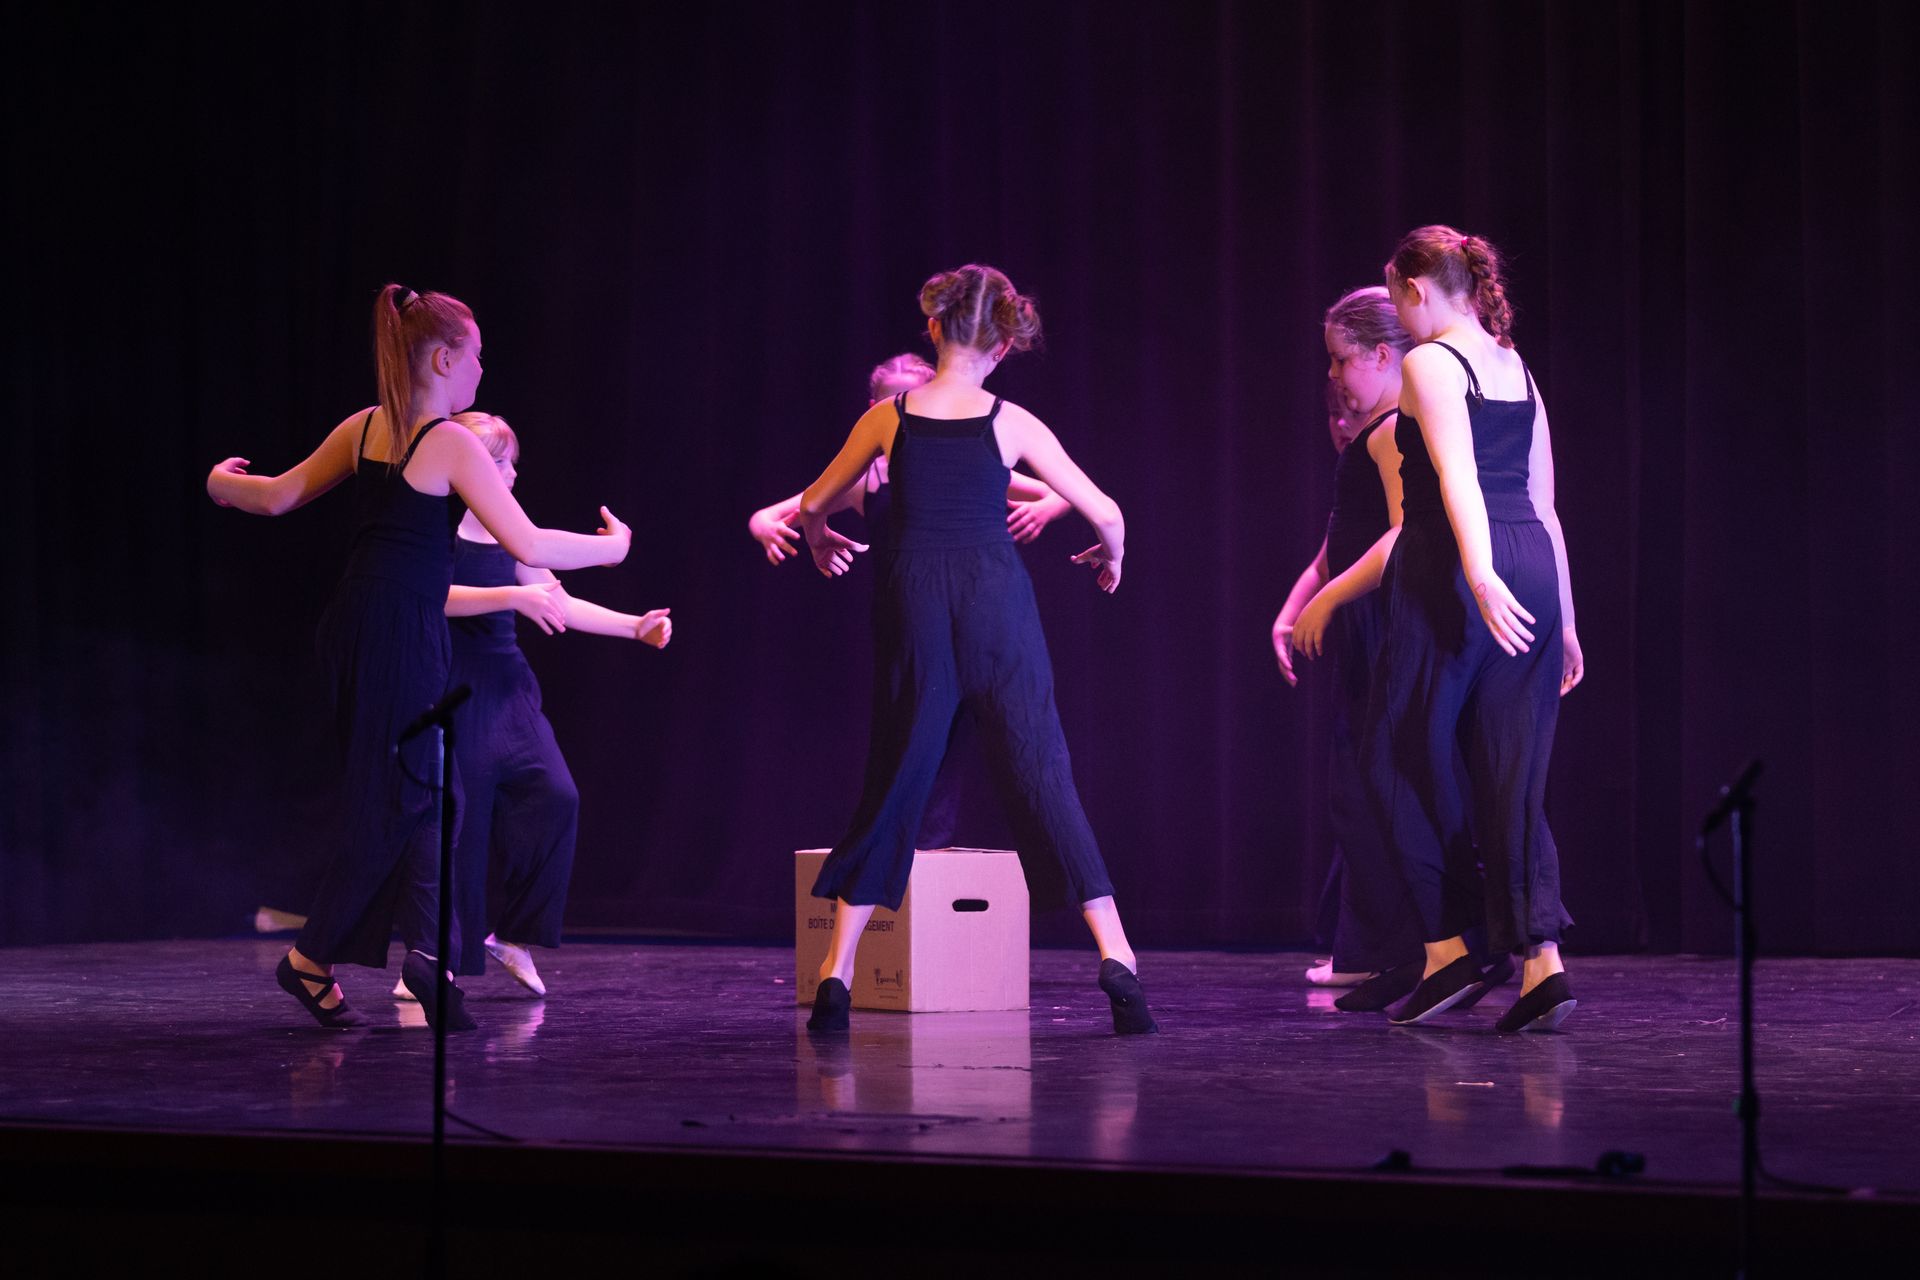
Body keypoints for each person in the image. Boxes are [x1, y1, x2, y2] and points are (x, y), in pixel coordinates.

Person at [206, 284, 630, 1031]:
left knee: (429, 794)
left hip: (362, 623)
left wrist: (219, 483)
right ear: (443, 359)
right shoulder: (448, 441)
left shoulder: (366, 426)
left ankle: (427, 959)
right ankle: (316, 956)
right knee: (405, 797)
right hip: (398, 630)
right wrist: (614, 549)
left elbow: (273, 497)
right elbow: (527, 542)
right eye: (477, 356)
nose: (482, 370)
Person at [795, 264, 1156, 1035]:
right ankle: (1115, 952)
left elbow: (814, 502)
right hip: (998, 607)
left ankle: (837, 973)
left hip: (916, 606)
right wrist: (1113, 555)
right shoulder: (1010, 421)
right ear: (1002, 344)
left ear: (933, 329)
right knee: (1041, 770)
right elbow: (1107, 511)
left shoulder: (889, 418)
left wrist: (820, 536)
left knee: (898, 776)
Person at [1335, 228, 1583, 1031]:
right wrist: (1565, 618)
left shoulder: (1431, 363)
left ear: (1414, 289)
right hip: (1532, 565)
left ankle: (1448, 949)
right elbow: (1544, 504)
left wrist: (1477, 574)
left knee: (1394, 756)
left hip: (1453, 565)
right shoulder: (1515, 366)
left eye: (1395, 295)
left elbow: (1457, 477)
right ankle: (1542, 965)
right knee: (1513, 773)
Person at [386, 411, 669, 1003]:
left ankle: (513, 934)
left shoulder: (508, 527)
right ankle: (436, 960)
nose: (513, 474)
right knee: (461, 829)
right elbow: (432, 597)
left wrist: (633, 626)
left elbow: (555, 597)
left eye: (511, 463)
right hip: (454, 685)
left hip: (509, 685)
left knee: (556, 797)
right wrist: (513, 595)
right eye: (501, 463)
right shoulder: (433, 526)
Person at [749, 354, 1072, 852]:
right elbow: (778, 512)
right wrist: (767, 529)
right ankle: (902, 851)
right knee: (909, 736)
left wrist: (1046, 509)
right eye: (891, 402)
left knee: (974, 732)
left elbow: (1062, 491)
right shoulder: (867, 479)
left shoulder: (968, 465)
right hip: (909, 620)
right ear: (876, 410)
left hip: (976, 610)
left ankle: (933, 850)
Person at [1276, 288, 1426, 1008]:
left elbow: (1402, 531)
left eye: (1341, 359)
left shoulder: (1394, 432)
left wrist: (1330, 599)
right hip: (1364, 624)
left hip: (1383, 621)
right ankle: (1373, 951)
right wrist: (1294, 607)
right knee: (1357, 789)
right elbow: (1343, 538)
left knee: (1372, 788)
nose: (1333, 374)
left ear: (1382, 354)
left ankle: (1395, 951)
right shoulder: (1374, 431)